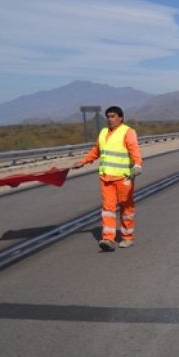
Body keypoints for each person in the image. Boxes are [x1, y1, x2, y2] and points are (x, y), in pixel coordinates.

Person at [73, 106, 142, 252]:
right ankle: (108, 239)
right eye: (108, 116)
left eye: (113, 116)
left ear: (121, 118)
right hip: (106, 178)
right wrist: (83, 161)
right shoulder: (103, 132)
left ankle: (127, 238)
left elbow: (134, 150)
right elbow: (96, 151)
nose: (110, 119)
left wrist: (137, 165)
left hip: (123, 177)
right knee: (108, 209)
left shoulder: (128, 132)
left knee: (126, 207)